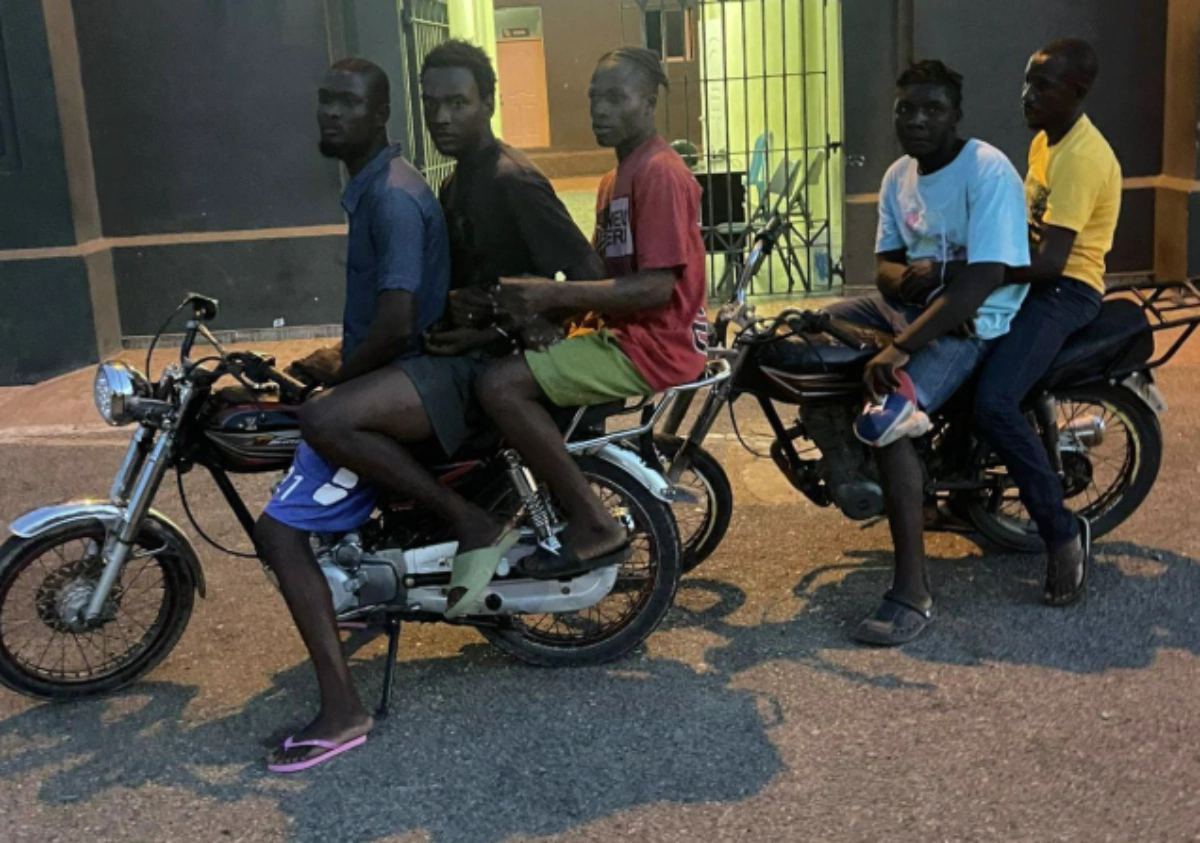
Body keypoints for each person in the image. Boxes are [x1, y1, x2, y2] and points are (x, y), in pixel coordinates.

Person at [294, 41, 606, 617]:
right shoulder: (456, 183)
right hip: (460, 353)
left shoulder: (512, 180)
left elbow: (587, 279)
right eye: (431, 103)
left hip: (492, 367)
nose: (442, 117)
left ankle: (471, 523)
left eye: (458, 103)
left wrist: (500, 333)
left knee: (327, 416)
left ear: (488, 102)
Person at [254, 58, 451, 773]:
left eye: (349, 102)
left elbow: (397, 322)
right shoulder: (372, 186)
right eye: (325, 100)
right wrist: (335, 358)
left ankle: (343, 711)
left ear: (380, 115)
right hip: (394, 374)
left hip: (404, 384)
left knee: (278, 532)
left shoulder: (391, 196)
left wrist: (341, 379)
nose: (331, 112)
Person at [460, 46, 709, 589]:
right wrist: (548, 313)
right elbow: (608, 280)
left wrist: (551, 295)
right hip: (624, 334)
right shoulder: (614, 179)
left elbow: (656, 287)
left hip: (652, 346)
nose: (600, 109)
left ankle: (594, 523)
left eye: (616, 98)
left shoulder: (661, 173)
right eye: (595, 97)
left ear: (649, 103)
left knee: (500, 386)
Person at [827, 60, 1031, 646]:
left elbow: (984, 279)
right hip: (912, 312)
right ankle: (846, 463)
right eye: (906, 109)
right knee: (807, 332)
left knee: (889, 420)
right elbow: (885, 269)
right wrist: (916, 291)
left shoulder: (987, 170)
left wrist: (900, 347)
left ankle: (911, 592)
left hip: (973, 323)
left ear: (955, 115)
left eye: (932, 109)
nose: (917, 120)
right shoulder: (898, 175)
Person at [974, 39, 1121, 607]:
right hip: (1033, 276)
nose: (1027, 95)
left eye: (1043, 86)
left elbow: (1051, 262)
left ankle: (1062, 535)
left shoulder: (1083, 158)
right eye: (1027, 81)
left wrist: (981, 271)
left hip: (1065, 290)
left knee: (995, 402)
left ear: (1077, 93)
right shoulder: (1045, 140)